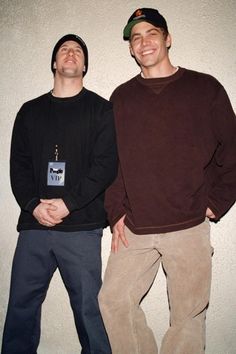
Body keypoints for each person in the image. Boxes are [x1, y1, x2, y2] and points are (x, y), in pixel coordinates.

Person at [98, 8, 236, 354]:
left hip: (190, 225)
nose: (144, 42)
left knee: (188, 317)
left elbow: (233, 151)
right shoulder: (121, 98)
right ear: (130, 48)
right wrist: (114, 213)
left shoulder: (205, 88)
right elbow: (110, 164)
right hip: (136, 226)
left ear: (167, 38)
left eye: (151, 33)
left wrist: (215, 203)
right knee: (114, 302)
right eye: (136, 37)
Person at [2, 33, 117, 354]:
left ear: (85, 66)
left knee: (90, 312)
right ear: (54, 62)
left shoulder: (101, 110)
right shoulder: (29, 111)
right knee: (20, 308)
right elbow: (19, 167)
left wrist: (69, 203)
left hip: (81, 228)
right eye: (64, 49)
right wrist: (32, 205)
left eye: (78, 51)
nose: (71, 53)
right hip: (34, 226)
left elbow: (105, 167)